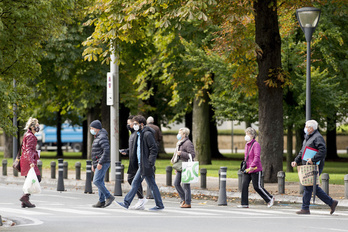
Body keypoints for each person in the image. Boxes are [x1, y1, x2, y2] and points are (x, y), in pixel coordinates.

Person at [116, 115, 164, 211]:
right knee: (152, 184)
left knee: (135, 182)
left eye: (135, 124)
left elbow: (153, 149)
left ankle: (126, 203)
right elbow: (138, 148)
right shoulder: (139, 134)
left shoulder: (147, 134)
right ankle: (159, 205)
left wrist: (150, 163)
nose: (133, 126)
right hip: (141, 163)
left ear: (141, 124)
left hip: (145, 164)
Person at [291, 120, 338, 215]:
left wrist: (313, 159)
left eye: (306, 126)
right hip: (308, 166)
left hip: (315, 166)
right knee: (310, 187)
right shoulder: (308, 137)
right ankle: (330, 202)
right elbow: (302, 151)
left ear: (311, 128)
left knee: (310, 187)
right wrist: (296, 160)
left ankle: (306, 208)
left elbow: (323, 151)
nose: (305, 128)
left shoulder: (317, 137)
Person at [238, 127, 274, 208]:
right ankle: (244, 204)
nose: (246, 136)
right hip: (247, 169)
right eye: (246, 134)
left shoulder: (256, 144)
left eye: (247, 134)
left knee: (257, 187)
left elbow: (257, 157)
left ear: (252, 135)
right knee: (244, 185)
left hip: (255, 169)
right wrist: (245, 168)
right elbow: (246, 157)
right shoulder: (247, 145)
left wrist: (252, 166)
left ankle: (270, 198)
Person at [120, 115, 148, 210]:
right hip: (134, 161)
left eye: (129, 124)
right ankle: (146, 201)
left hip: (139, 162)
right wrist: (127, 151)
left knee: (134, 181)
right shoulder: (132, 134)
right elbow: (134, 148)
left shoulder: (138, 134)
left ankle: (129, 202)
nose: (128, 125)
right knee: (132, 179)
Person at [90, 120, 115, 208]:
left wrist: (100, 162)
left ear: (96, 128)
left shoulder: (102, 137)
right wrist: (94, 164)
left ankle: (109, 196)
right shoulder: (97, 136)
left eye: (92, 128)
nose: (91, 129)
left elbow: (106, 151)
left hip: (103, 162)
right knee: (100, 181)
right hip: (98, 162)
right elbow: (96, 152)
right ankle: (101, 201)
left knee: (96, 181)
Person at [19, 117, 41, 208]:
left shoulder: (27, 134)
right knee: (37, 178)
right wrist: (31, 162)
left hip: (25, 160)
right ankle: (25, 197)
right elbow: (29, 150)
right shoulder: (31, 136)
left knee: (29, 180)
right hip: (29, 161)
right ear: (32, 127)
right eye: (37, 125)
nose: (38, 127)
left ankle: (25, 201)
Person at [172, 127, 195, 208]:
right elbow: (177, 156)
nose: (178, 134)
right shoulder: (180, 142)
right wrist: (176, 166)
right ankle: (184, 199)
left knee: (186, 185)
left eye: (180, 133)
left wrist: (181, 153)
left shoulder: (188, 143)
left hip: (186, 166)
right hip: (180, 166)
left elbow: (192, 155)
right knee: (176, 183)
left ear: (184, 134)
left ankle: (187, 202)